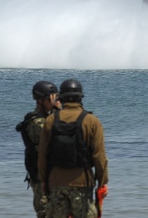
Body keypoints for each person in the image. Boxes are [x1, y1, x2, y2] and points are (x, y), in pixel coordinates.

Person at [38, 79, 109, 218]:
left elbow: (42, 155)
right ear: (80, 97)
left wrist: (43, 181)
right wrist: (102, 182)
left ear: (61, 97)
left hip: (56, 182)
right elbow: (99, 156)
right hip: (82, 184)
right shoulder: (92, 121)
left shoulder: (50, 120)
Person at [16, 81, 61, 218]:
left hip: (53, 174)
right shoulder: (35, 122)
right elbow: (59, 131)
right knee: (45, 213)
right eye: (50, 99)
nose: (54, 102)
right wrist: (59, 111)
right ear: (40, 101)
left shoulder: (49, 118)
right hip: (40, 176)